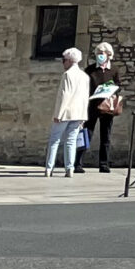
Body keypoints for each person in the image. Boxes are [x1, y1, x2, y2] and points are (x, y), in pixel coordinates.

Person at [46, 47, 89, 176]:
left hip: (65, 112)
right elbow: (85, 97)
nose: (63, 63)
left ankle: (49, 168)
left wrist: (58, 114)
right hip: (78, 113)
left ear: (69, 60)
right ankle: (69, 168)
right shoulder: (84, 76)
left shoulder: (67, 75)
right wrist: (84, 116)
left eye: (64, 60)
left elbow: (64, 95)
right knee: (71, 141)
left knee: (55, 139)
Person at [87, 44, 121, 173]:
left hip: (107, 107)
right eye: (99, 52)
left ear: (109, 54)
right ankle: (77, 163)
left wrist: (111, 91)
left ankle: (104, 164)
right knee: (87, 134)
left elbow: (118, 85)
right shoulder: (90, 70)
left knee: (106, 136)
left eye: (103, 52)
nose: (101, 54)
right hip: (92, 106)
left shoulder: (114, 70)